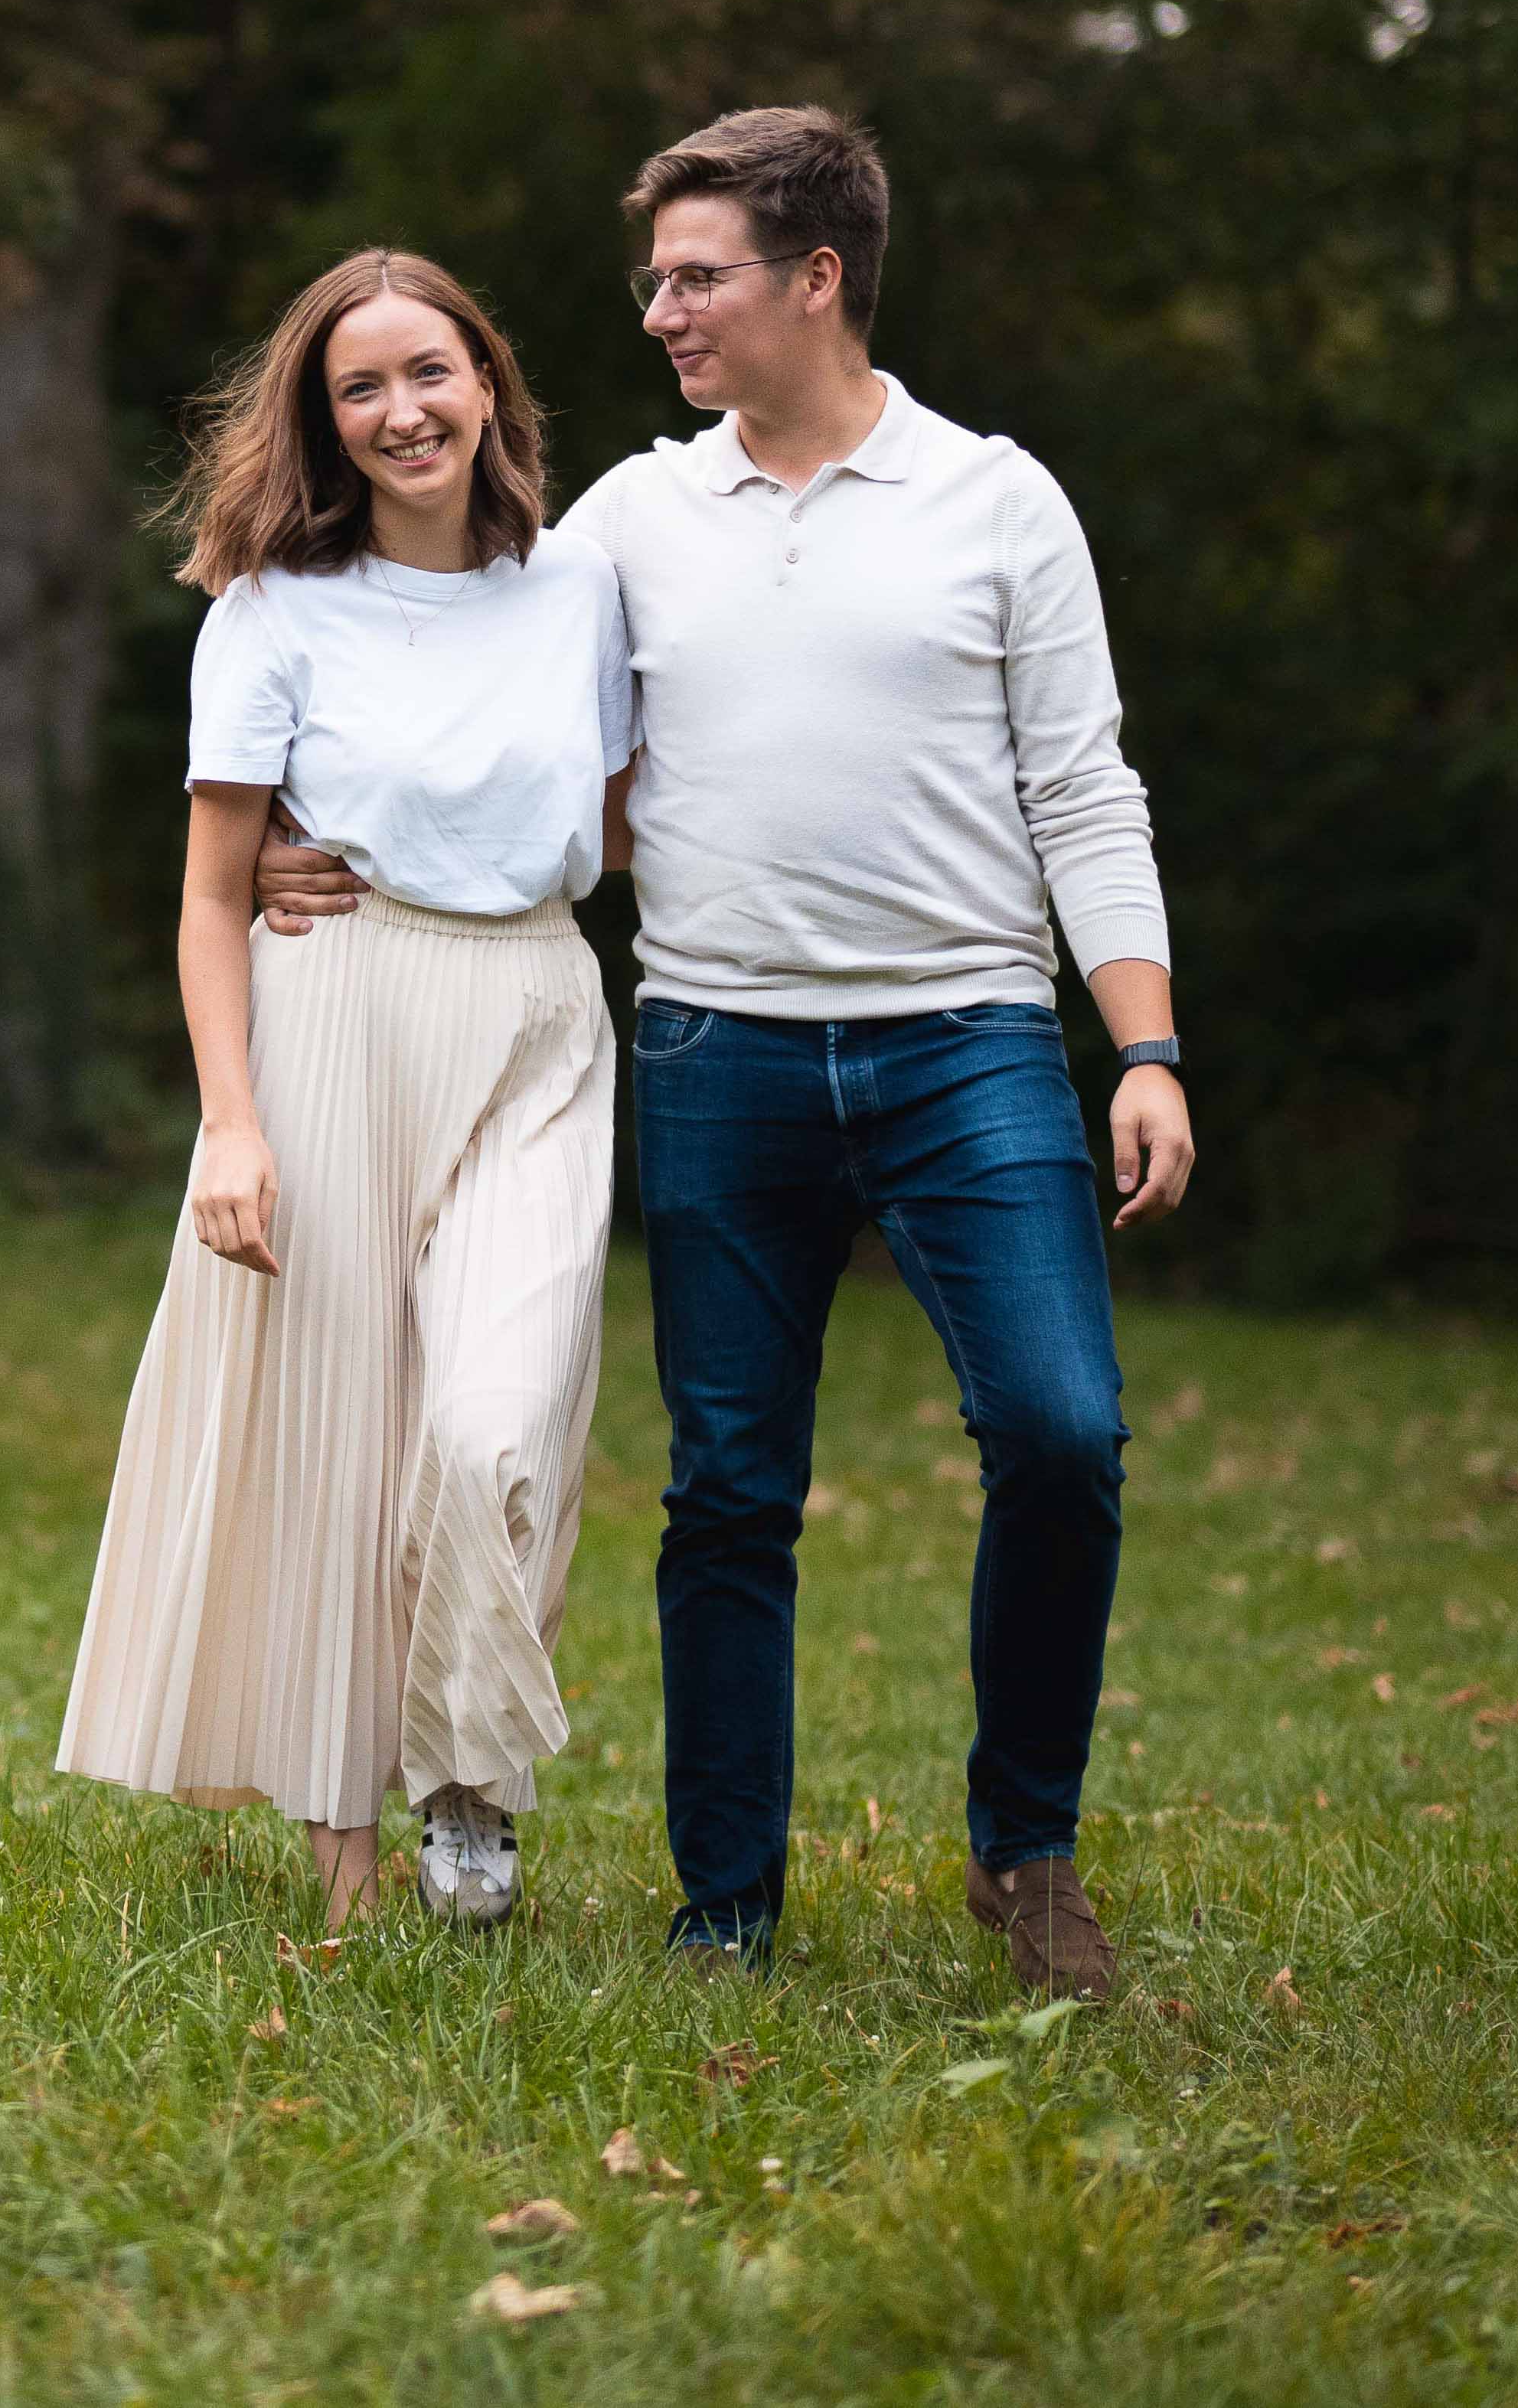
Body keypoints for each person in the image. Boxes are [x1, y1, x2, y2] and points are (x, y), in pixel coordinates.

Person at [260, 108, 1193, 1999]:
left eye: (696, 277)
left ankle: (1023, 1848)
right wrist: (303, 837)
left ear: (815, 278)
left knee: (1060, 1430)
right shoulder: (625, 522)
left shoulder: (995, 501)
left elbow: (1086, 789)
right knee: (729, 1491)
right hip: (714, 1046)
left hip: (969, 1042)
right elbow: (495, 723)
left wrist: (1146, 1045)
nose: (660, 311)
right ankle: (725, 1908)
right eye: (656, 277)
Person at [58, 247, 632, 1933]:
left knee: (493, 1419)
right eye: (359, 387)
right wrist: (231, 1126)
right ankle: (350, 1869)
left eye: (429, 372)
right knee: (332, 1435)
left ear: (488, 383)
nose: (402, 412)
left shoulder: (579, 588)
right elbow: (207, 893)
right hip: (334, 1014)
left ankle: (466, 1767)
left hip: (534, 1011)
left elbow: (616, 823)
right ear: (324, 420)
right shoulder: (271, 610)